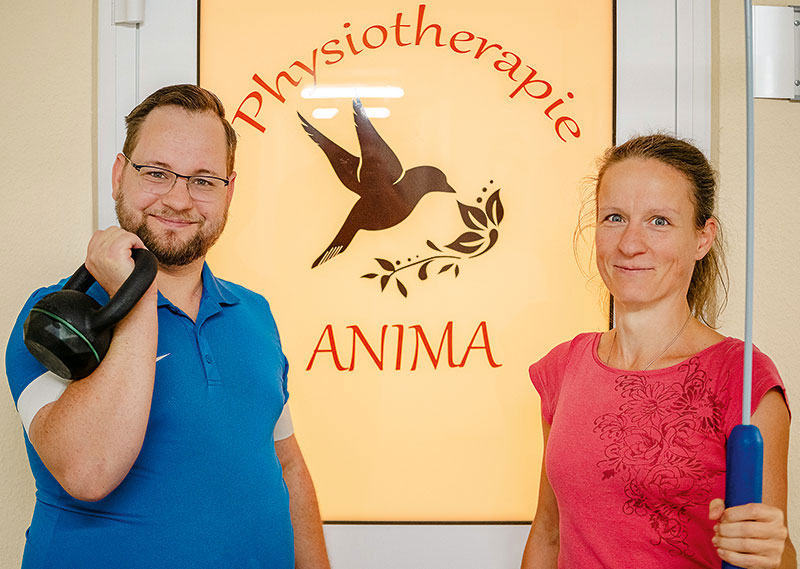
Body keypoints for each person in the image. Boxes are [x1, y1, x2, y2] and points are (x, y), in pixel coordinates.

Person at [5, 85, 330, 568]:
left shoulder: (255, 314)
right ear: (119, 175)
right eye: (157, 173)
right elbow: (87, 472)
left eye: (203, 180)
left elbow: (287, 466)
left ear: (229, 192)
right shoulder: (56, 318)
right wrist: (137, 298)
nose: (179, 200)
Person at [520, 134, 795, 568]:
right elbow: (547, 535)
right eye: (614, 218)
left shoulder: (742, 379)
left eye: (659, 221)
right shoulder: (564, 367)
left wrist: (770, 552)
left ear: (703, 238)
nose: (630, 244)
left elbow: (775, 556)